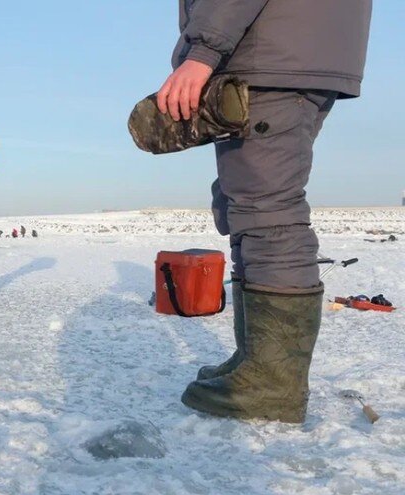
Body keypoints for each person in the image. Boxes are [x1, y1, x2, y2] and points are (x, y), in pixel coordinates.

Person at [155, 0, 372, 423]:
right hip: (296, 52)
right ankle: (255, 360)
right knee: (246, 206)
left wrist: (202, 52)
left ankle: (273, 385)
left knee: (267, 212)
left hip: (270, 55)